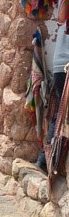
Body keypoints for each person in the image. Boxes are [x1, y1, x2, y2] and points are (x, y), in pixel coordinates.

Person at [36, 25, 69, 172]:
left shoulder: (65, 15)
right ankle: (47, 159)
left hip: (59, 68)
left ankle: (44, 159)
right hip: (66, 67)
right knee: (62, 114)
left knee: (59, 114)